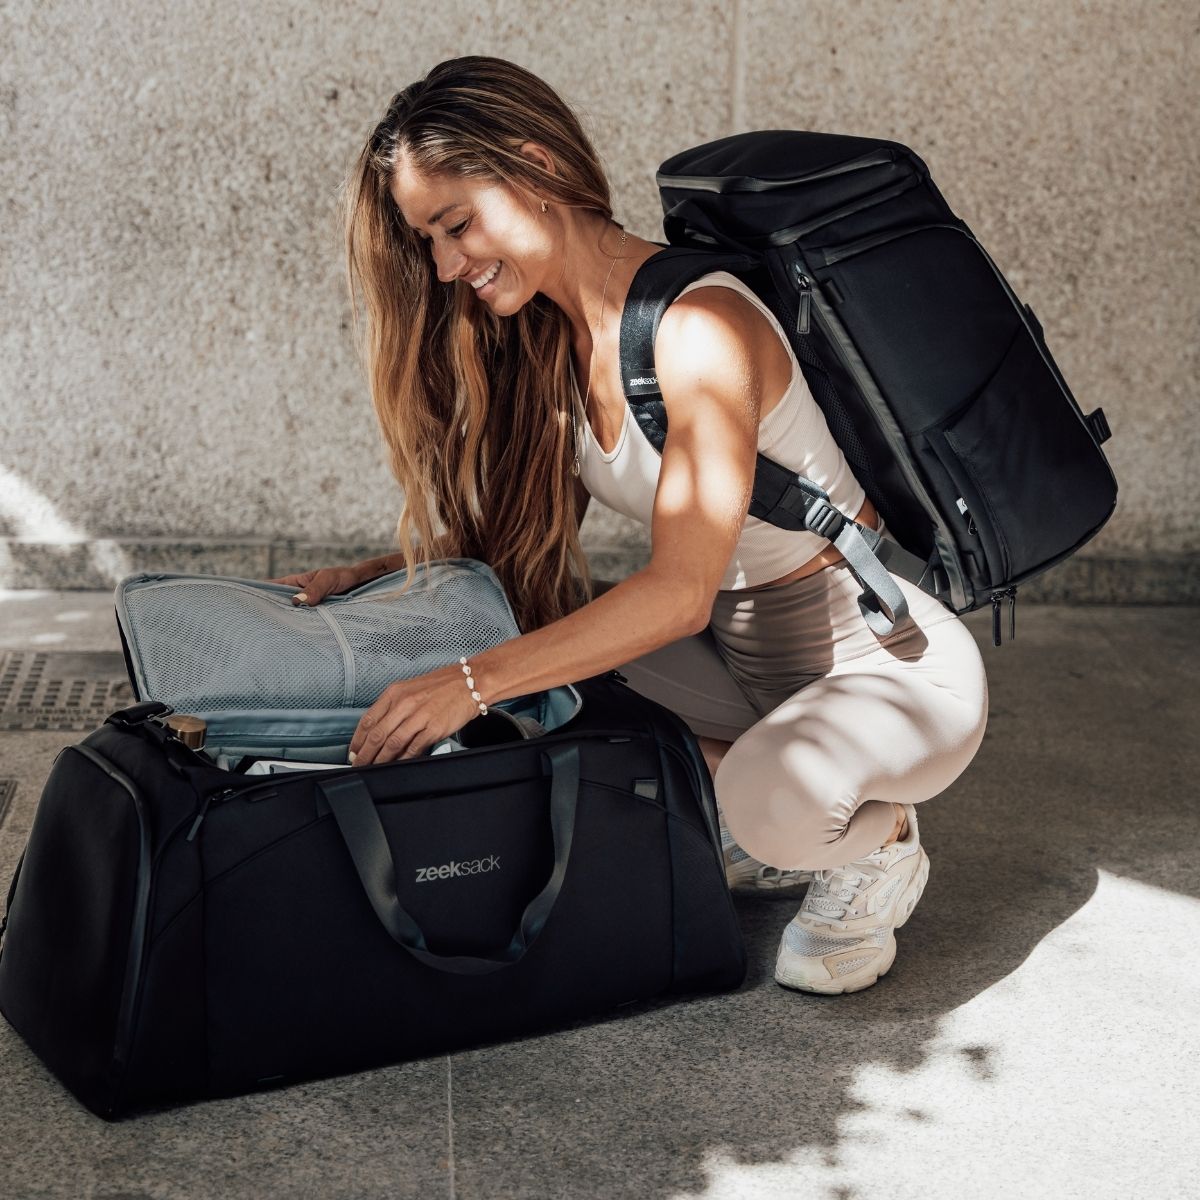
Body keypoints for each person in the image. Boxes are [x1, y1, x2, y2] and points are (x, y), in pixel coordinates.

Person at [267, 55, 989, 995]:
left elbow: (680, 592)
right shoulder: (553, 345)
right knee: (533, 692)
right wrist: (375, 577)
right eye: (429, 240)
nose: (446, 267)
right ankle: (755, 798)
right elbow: (510, 558)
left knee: (757, 794)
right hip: (737, 661)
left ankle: (874, 842)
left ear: (533, 167)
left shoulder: (700, 330)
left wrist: (470, 684)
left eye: (455, 225)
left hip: (881, 658)